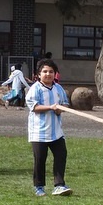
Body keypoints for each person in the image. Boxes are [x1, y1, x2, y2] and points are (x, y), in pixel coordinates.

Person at [25, 58, 72, 197]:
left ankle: (59, 184)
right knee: (40, 159)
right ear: (39, 74)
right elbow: (34, 107)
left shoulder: (58, 88)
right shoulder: (35, 89)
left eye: (51, 71)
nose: (48, 74)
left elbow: (65, 104)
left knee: (61, 155)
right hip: (38, 132)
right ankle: (39, 186)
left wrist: (60, 109)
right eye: (44, 71)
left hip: (56, 131)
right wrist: (51, 107)